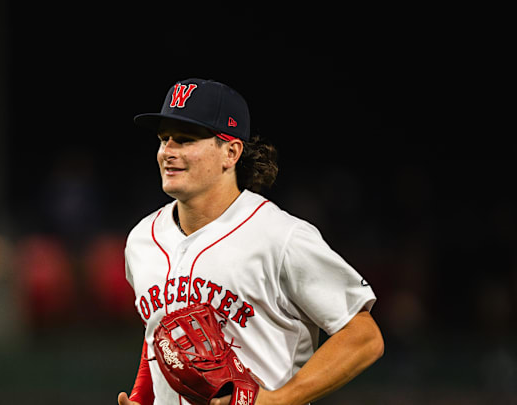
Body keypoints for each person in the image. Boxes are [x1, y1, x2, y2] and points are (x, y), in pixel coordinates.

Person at [117, 78, 384, 405]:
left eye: (185, 140)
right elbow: (157, 335)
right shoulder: (142, 239)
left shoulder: (280, 236)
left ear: (231, 152)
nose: (168, 152)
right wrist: (141, 397)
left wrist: (277, 400)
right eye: (164, 139)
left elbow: (364, 336)